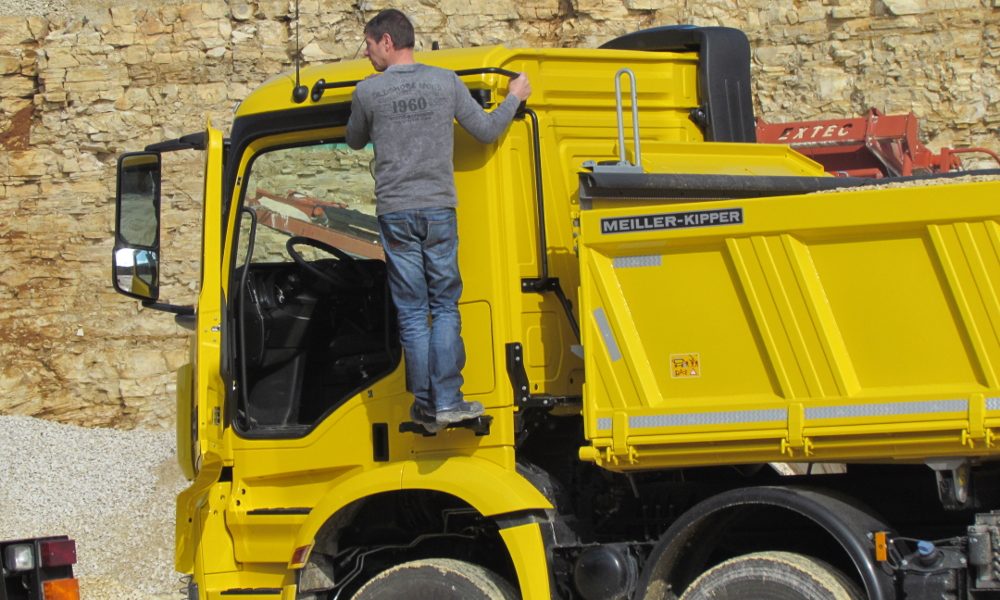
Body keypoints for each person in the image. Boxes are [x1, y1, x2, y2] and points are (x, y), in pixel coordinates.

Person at [345, 9, 532, 431]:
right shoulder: (446, 82)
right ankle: (448, 400)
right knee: (445, 306)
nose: (368, 54)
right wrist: (515, 96)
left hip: (395, 211)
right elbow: (486, 131)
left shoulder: (367, 92)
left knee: (413, 313)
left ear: (387, 42)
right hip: (438, 209)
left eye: (369, 45)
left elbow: (354, 140)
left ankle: (428, 404)